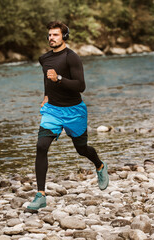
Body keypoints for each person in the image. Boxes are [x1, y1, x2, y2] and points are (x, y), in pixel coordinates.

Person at [27, 21, 109, 211]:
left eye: (55, 35)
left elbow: (81, 86)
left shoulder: (72, 58)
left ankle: (99, 165)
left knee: (81, 149)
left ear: (64, 36)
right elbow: (46, 78)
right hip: (53, 110)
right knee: (41, 146)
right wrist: (46, 96)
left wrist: (60, 79)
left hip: (74, 111)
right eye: (49, 35)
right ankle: (41, 195)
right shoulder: (44, 58)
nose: (51, 38)